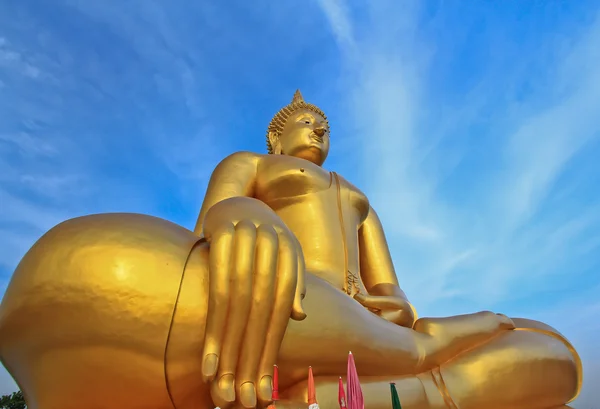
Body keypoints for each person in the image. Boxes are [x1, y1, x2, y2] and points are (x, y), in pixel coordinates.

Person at [0, 91, 581, 409]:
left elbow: (388, 285)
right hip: (283, 297)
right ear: (277, 135)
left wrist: (393, 303)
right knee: (95, 264)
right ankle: (427, 370)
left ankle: (386, 377)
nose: (318, 131)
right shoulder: (251, 164)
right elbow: (215, 218)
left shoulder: (359, 199)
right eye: (306, 122)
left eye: (324, 125)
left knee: (548, 353)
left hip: (354, 323)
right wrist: (244, 211)